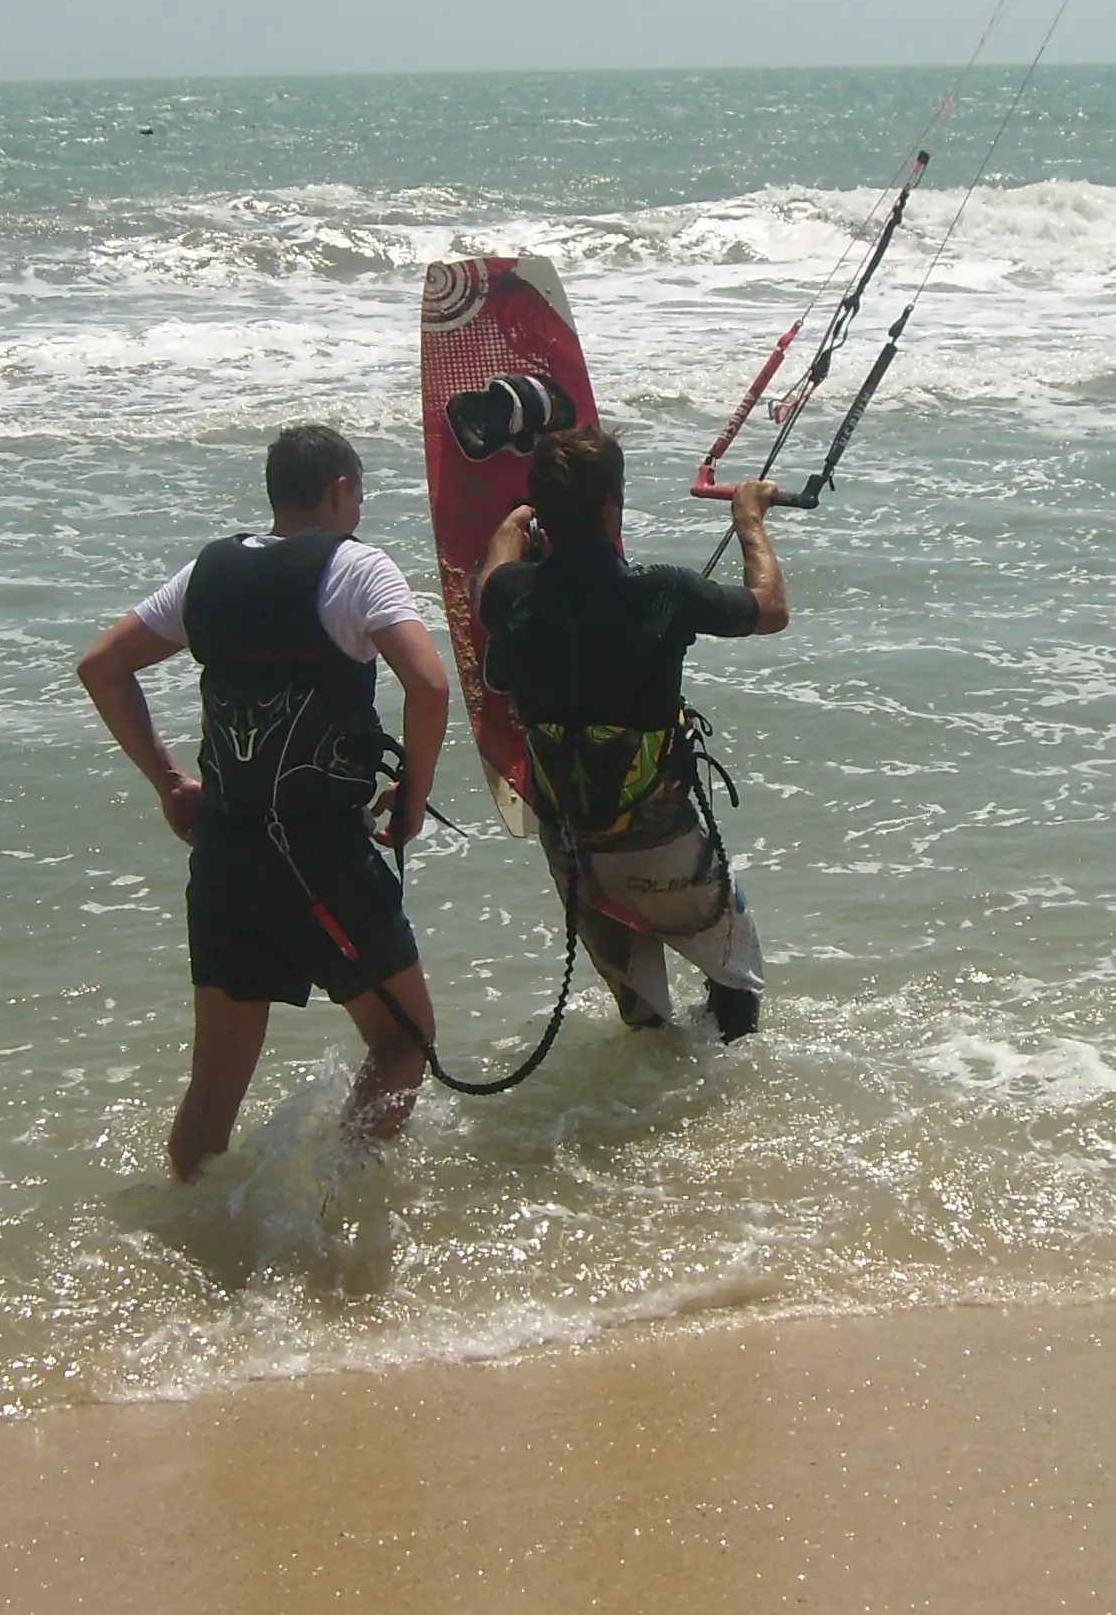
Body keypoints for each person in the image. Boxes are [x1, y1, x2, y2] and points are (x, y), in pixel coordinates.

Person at [76, 424, 449, 1180]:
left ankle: (194, 1248)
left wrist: (170, 782)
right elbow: (430, 684)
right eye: (360, 494)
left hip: (227, 856)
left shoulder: (208, 572)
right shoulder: (357, 569)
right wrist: (413, 792)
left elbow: (101, 667)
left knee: (212, 1095)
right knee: (402, 1042)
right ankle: (337, 1217)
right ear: (341, 490)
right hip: (321, 858)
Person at [477, 429, 785, 1041]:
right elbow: (770, 608)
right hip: (661, 848)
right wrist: (748, 519)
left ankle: (632, 1123)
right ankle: (720, 1111)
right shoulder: (661, 590)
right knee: (737, 982)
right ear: (610, 510)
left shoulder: (510, 595)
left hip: (574, 854)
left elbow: (490, 580)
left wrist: (513, 526)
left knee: (645, 1022)